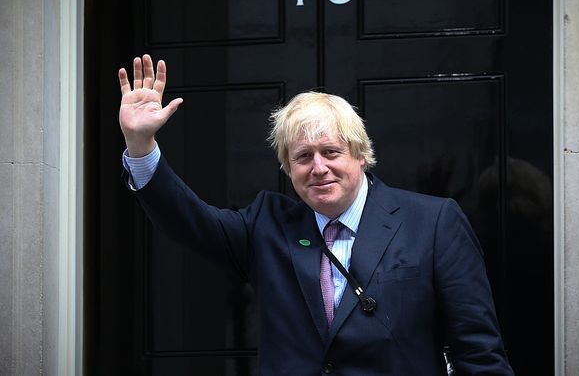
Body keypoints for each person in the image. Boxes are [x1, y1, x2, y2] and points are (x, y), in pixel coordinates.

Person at [119, 54, 514, 375]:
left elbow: (478, 351)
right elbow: (189, 221)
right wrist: (141, 144)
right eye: (303, 157)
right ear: (288, 169)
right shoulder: (268, 226)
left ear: (361, 155)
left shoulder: (433, 222)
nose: (318, 167)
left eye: (331, 152)